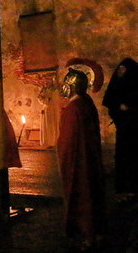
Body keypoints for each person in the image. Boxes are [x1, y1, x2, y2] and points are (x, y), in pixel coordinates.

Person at [58, 68, 105, 251]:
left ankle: (87, 236)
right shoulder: (87, 103)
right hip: (90, 158)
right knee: (93, 194)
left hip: (80, 162)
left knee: (82, 195)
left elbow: (68, 141)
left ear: (72, 86)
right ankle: (94, 233)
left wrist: (62, 151)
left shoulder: (73, 108)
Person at [102, 58, 138, 205]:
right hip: (124, 128)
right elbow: (111, 100)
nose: (121, 72)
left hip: (133, 127)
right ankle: (125, 189)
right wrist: (120, 109)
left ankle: (132, 188)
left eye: (124, 70)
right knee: (124, 157)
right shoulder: (119, 82)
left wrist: (130, 108)